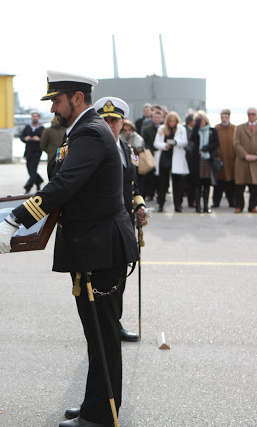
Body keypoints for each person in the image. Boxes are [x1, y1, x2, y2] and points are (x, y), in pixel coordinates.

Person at [0, 71, 139, 427]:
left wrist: (16, 218)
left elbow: (65, 183)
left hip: (99, 247)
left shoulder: (89, 131)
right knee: (96, 335)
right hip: (92, 245)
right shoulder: (82, 132)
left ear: (76, 98)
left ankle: (102, 414)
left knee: (102, 335)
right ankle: (96, 404)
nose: (52, 108)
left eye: (56, 101)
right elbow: (62, 183)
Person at [94, 96, 145, 343]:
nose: (110, 124)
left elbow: (132, 187)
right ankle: (103, 325)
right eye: (105, 120)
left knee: (121, 277)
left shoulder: (128, 150)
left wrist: (140, 205)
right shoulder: (95, 149)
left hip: (125, 224)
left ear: (123, 122)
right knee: (104, 279)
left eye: (114, 120)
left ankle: (115, 323)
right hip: (104, 224)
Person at [233, 108, 257, 213]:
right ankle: (239, 206)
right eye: (249, 114)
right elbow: (236, 143)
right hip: (242, 161)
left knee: (255, 185)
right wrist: (245, 155)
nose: (251, 116)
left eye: (253, 114)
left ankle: (252, 206)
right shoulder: (239, 128)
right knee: (240, 184)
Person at [154, 111, 189, 212]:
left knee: (177, 184)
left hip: (176, 157)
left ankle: (178, 205)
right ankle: (161, 203)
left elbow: (185, 142)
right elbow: (156, 143)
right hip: (165, 157)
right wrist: (165, 145)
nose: (172, 123)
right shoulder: (161, 129)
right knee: (162, 183)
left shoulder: (181, 129)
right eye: (170, 121)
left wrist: (176, 142)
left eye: (173, 121)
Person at [188, 111, 219, 213]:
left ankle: (206, 205)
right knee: (197, 184)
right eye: (198, 119)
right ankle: (198, 206)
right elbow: (192, 139)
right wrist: (196, 125)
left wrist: (207, 148)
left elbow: (216, 143)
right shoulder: (196, 130)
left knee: (206, 183)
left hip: (207, 159)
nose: (200, 121)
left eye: (201, 119)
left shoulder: (212, 130)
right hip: (197, 160)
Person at [213, 109, 236, 208]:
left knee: (231, 182)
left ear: (229, 117)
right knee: (218, 183)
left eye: (226, 117)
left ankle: (232, 201)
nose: (224, 119)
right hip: (220, 160)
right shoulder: (216, 128)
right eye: (222, 117)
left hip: (231, 161)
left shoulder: (234, 128)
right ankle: (216, 202)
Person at [140, 108, 163, 201]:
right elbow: (145, 142)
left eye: (158, 117)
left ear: (161, 118)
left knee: (160, 177)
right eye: (155, 117)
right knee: (149, 176)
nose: (156, 119)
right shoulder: (147, 129)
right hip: (150, 155)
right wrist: (152, 150)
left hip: (162, 154)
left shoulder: (164, 129)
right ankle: (150, 194)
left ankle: (160, 195)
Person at [20, 111, 45, 193]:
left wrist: (39, 139)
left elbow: (45, 139)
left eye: (36, 116)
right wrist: (24, 139)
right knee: (30, 170)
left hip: (37, 152)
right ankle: (39, 181)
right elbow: (22, 136)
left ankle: (28, 187)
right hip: (28, 151)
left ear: (39, 118)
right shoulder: (27, 127)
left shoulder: (42, 129)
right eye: (33, 116)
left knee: (33, 169)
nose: (34, 118)